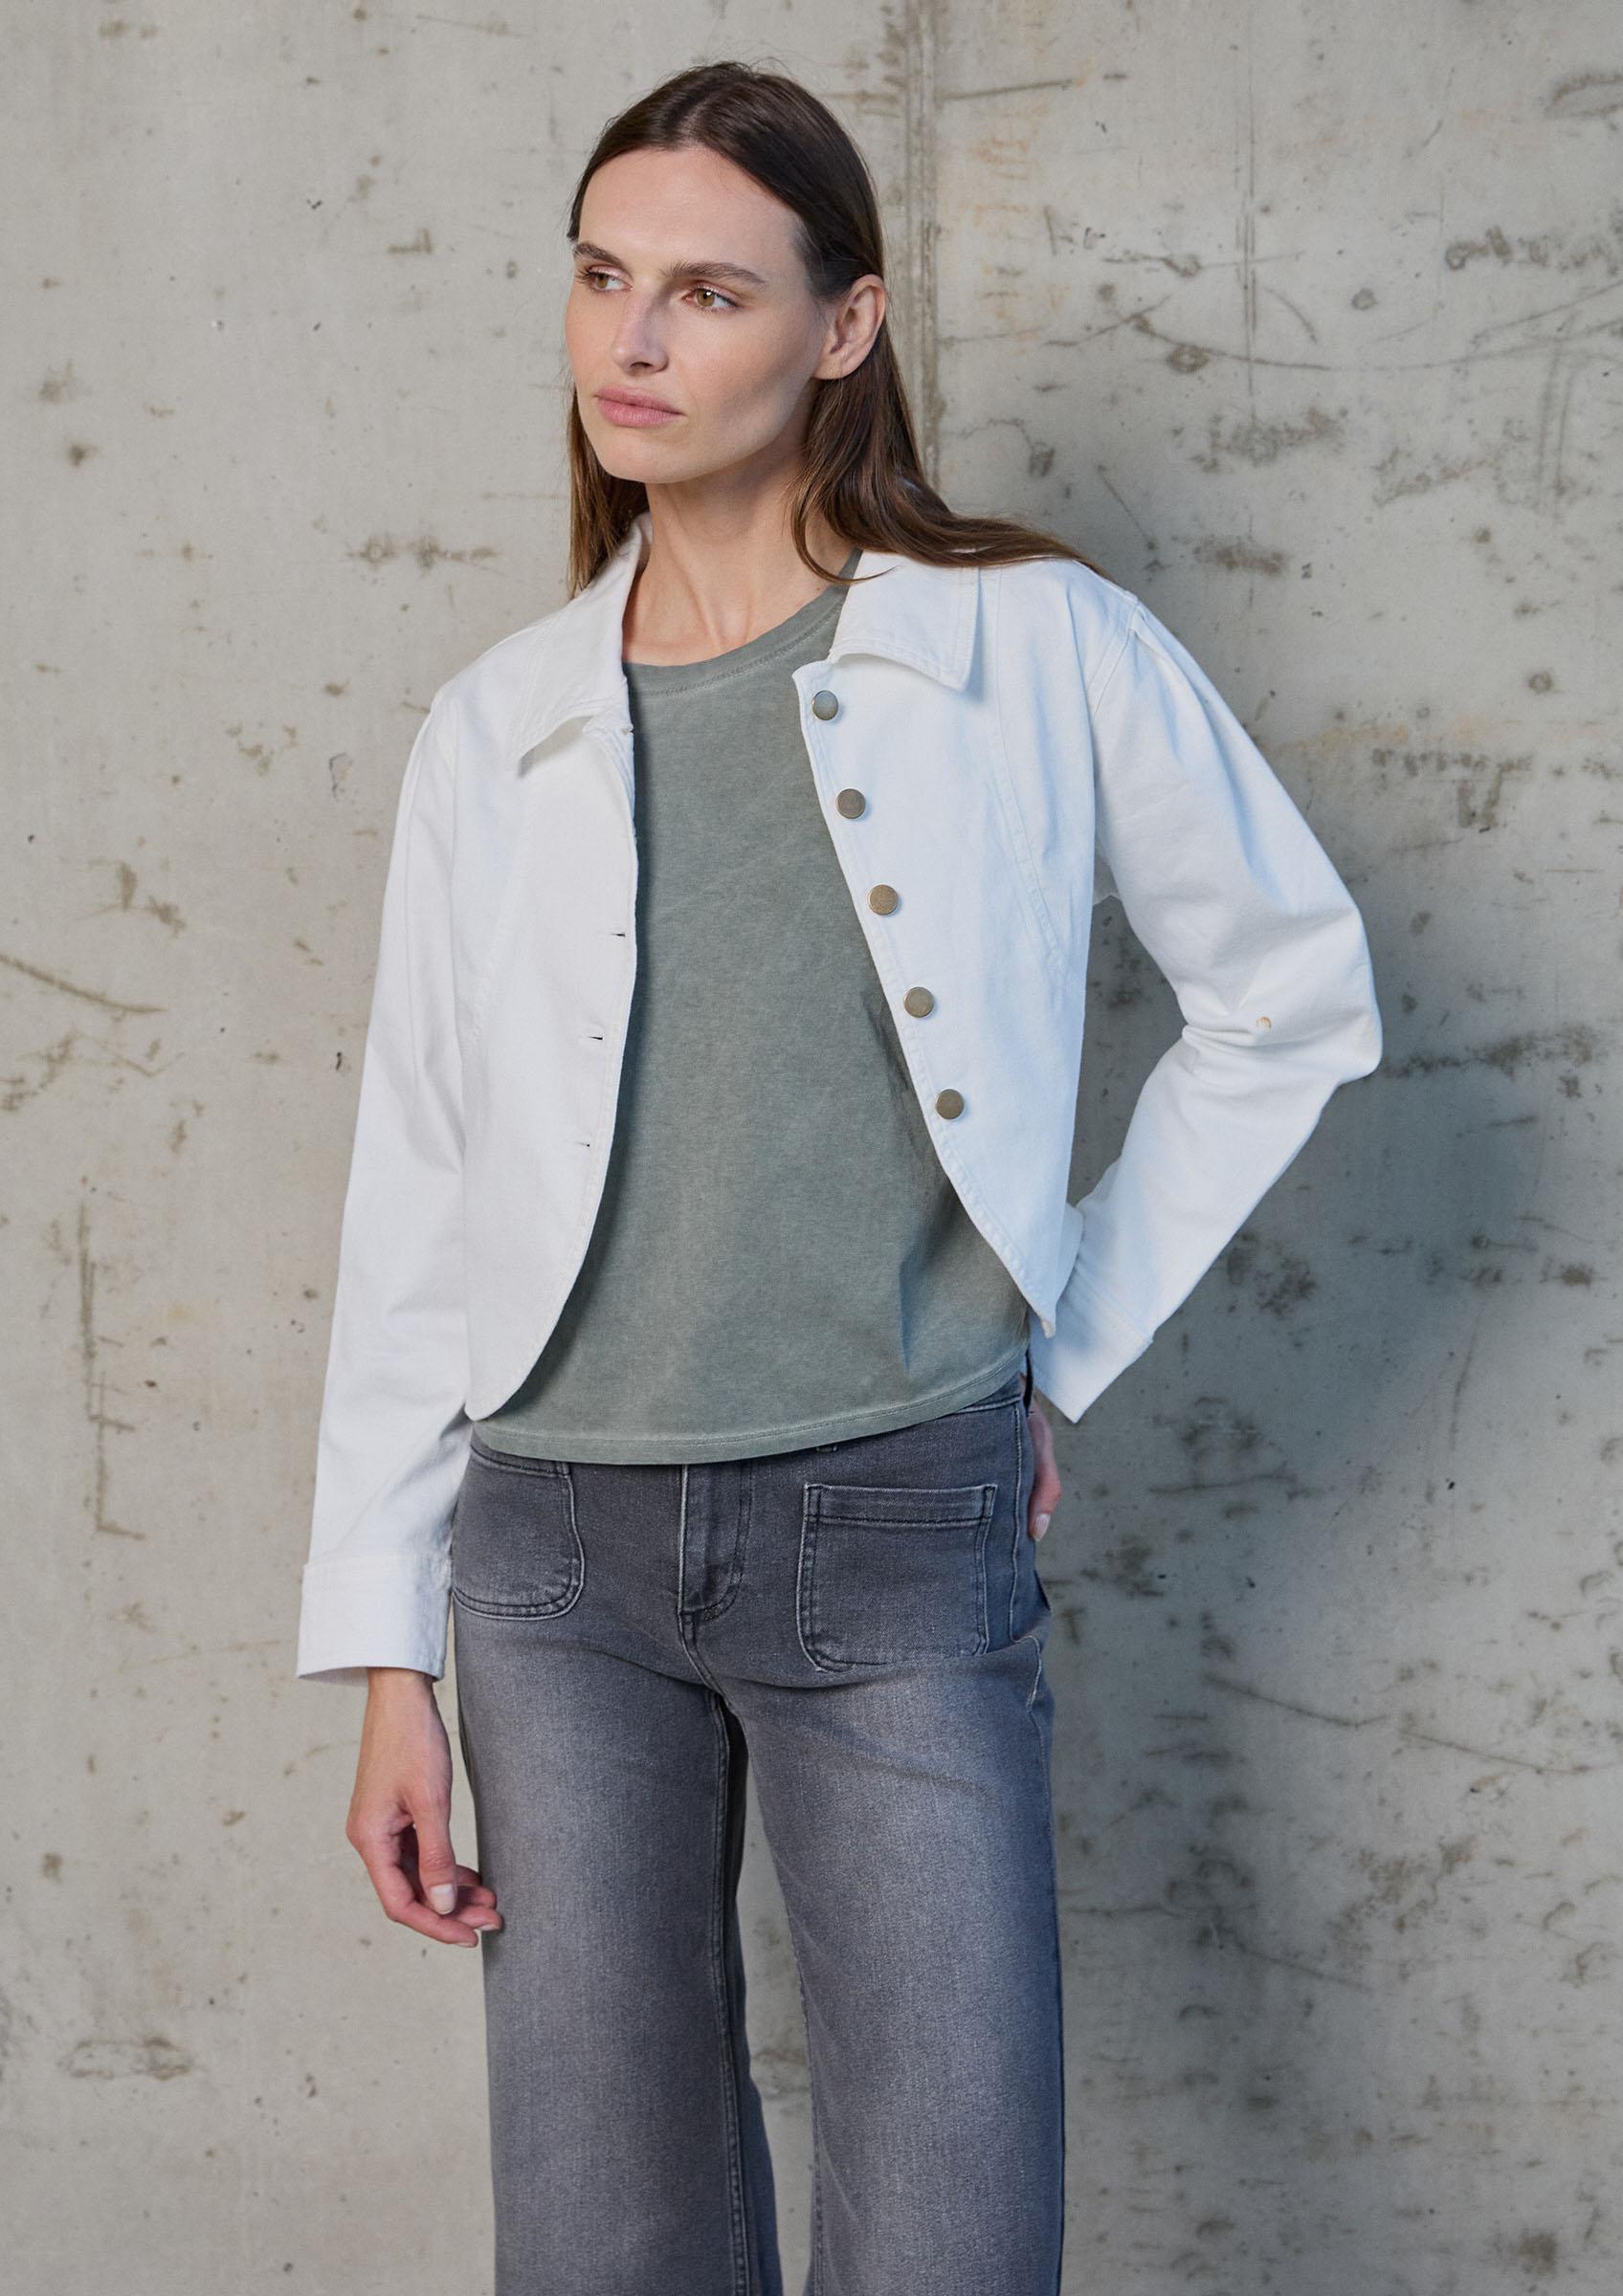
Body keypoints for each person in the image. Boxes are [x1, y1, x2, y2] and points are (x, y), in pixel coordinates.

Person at [294, 57, 1383, 2296]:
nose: (634, 341)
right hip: (547, 1562)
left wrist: (1055, 1343)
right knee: (604, 2243)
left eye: (708, 292)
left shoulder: (1031, 641)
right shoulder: (496, 722)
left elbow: (1293, 994)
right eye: (602, 277)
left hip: (894, 1521)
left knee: (951, 2233)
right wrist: (386, 1651)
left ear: (845, 323)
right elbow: (420, 1177)